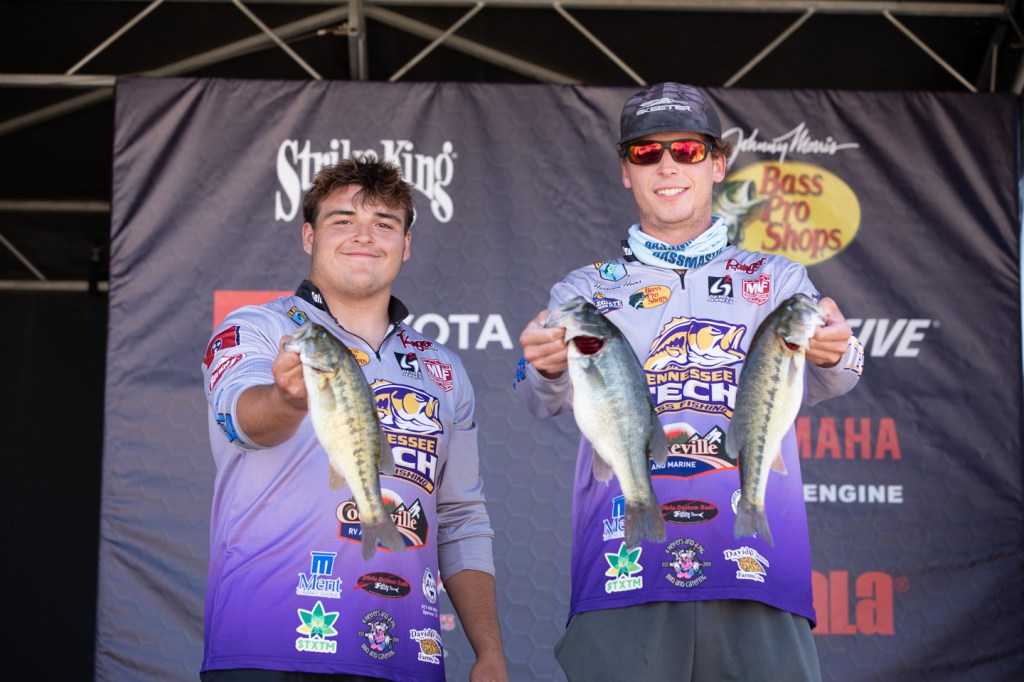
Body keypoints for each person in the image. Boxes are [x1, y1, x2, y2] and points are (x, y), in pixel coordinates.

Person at [513, 83, 865, 681]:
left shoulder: (779, 278)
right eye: (647, 152)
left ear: (717, 164)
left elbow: (841, 375)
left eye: (688, 150)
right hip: (624, 567)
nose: (668, 165)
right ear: (626, 171)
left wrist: (837, 350)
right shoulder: (583, 290)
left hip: (757, 568)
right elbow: (533, 396)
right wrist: (543, 366)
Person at [201, 156, 508, 682]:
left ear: (405, 245)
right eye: (342, 220)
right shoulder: (259, 328)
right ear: (309, 236)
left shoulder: (443, 369)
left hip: (406, 656)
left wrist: (489, 651)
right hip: (267, 646)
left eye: (384, 224)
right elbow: (240, 419)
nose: (364, 235)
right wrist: (286, 400)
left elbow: (460, 518)